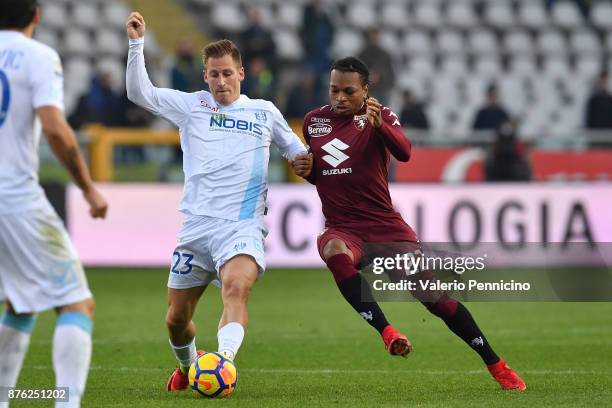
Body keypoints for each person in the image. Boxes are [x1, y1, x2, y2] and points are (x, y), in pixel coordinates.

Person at [292, 57, 526, 391]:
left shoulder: (380, 115)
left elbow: (404, 152)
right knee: (334, 251)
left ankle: (497, 365)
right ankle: (388, 332)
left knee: (437, 300)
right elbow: (324, 175)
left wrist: (380, 127)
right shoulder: (314, 121)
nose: (340, 97)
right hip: (343, 227)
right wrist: (308, 171)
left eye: (348, 91)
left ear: (365, 90)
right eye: (334, 90)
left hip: (386, 228)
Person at [125, 12, 308, 391]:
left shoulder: (265, 111)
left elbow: (297, 152)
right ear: (205, 76)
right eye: (214, 74)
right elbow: (139, 93)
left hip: (241, 225)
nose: (221, 80)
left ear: (241, 73)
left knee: (237, 288)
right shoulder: (192, 106)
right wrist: (136, 44)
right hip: (196, 227)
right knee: (176, 319)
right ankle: (189, 365)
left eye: (227, 73)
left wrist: (304, 160)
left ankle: (223, 364)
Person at [0, 1, 108, 407]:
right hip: (13, 198)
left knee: (21, 302)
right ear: (37, 16)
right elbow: (55, 129)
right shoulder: (38, 56)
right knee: (76, 302)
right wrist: (87, 187)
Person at [357, 28, 396, 106]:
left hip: (381, 91)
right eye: (373, 37)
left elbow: (391, 76)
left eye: (376, 37)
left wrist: (379, 76)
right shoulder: (362, 55)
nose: (375, 40)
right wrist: (368, 77)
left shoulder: (385, 55)